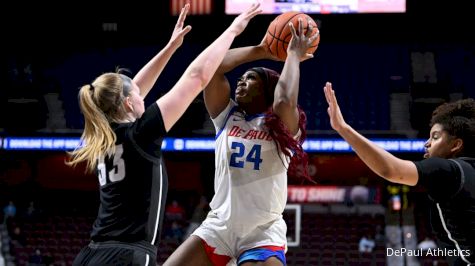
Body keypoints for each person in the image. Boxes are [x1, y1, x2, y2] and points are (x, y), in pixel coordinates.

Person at [67, 3, 262, 265]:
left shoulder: (102, 132)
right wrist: (232, 31)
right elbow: (197, 76)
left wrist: (170, 48)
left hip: (92, 253)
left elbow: (132, 88)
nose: (142, 95)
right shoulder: (140, 134)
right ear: (127, 103)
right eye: (137, 95)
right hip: (127, 255)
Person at [164, 19, 319, 266]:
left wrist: (292, 56)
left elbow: (284, 102)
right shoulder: (227, 116)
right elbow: (212, 69)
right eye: (242, 77)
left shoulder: (282, 126)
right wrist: (262, 50)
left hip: (261, 232)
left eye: (251, 79)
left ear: (268, 89)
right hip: (219, 226)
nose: (240, 81)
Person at [323, 82, 475, 266]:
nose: (427, 143)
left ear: (456, 145)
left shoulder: (448, 170)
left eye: (435, 137)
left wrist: (342, 128)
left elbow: (391, 170)